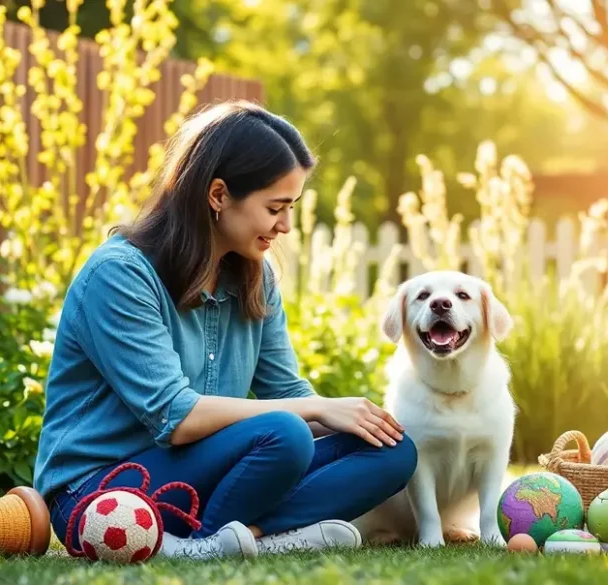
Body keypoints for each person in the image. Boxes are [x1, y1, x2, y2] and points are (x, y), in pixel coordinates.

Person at [32, 101, 417, 560]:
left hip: (207, 477)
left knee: (393, 451)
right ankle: (223, 541)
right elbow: (175, 417)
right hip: (104, 496)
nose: (286, 226)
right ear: (218, 195)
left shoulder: (256, 277)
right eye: (275, 207)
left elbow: (286, 390)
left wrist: (354, 417)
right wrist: (314, 408)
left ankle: (240, 538)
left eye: (291, 208)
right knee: (285, 433)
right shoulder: (120, 274)